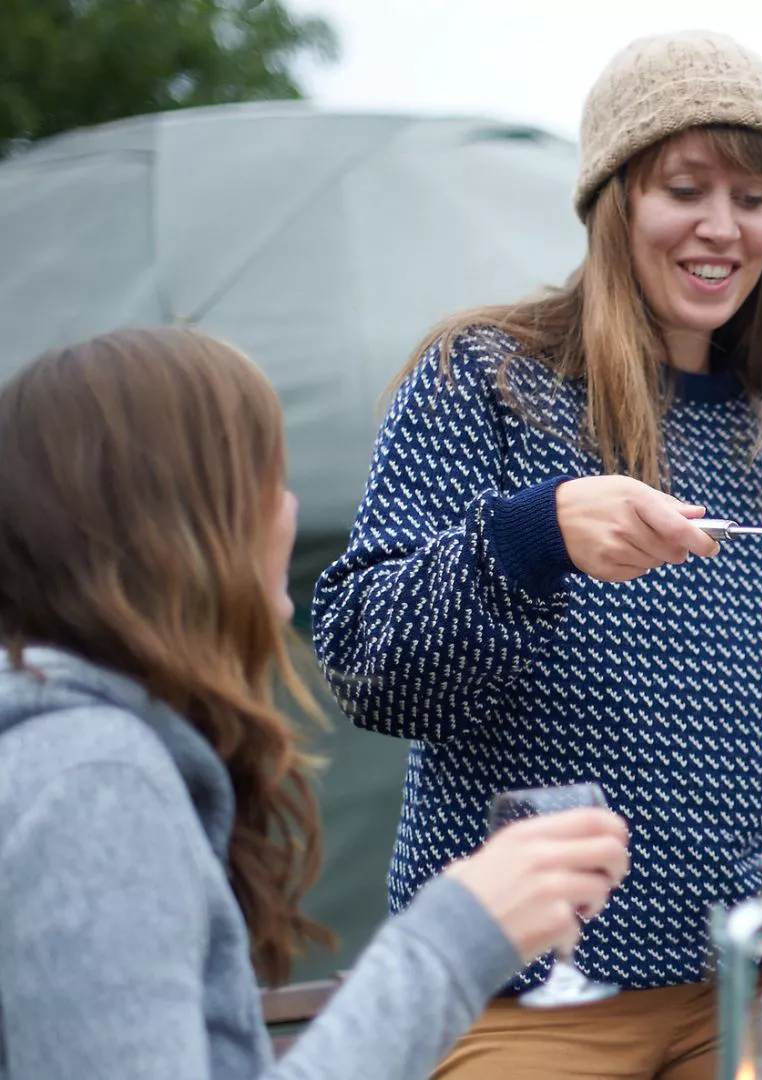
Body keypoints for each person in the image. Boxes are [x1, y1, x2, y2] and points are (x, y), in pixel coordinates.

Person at [309, 29, 762, 1079]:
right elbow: (367, 664)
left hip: (750, 996)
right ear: (614, 200)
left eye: (753, 198)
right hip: (526, 998)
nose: (722, 227)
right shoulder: (484, 381)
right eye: (685, 188)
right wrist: (535, 538)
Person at [0, 327, 630, 1080]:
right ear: (182, 524)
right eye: (267, 480)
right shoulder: (97, 784)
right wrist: (461, 931)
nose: (291, 510)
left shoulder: (83, 755)